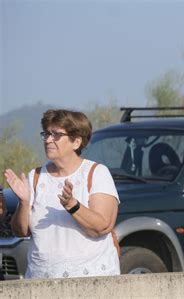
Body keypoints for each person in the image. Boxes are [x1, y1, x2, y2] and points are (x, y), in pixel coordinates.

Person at [4, 109, 120, 279]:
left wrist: (73, 206)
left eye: (56, 135)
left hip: (91, 281)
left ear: (76, 142)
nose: (48, 140)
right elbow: (20, 231)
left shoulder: (96, 173)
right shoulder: (35, 177)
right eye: (46, 134)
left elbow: (102, 226)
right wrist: (24, 202)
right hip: (42, 281)